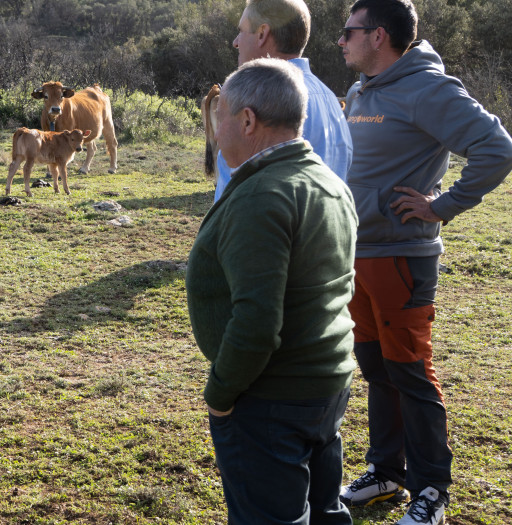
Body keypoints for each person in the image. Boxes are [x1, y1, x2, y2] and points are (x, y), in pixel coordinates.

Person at [335, 1, 512, 524]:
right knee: (376, 367)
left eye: (349, 31)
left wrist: (441, 206)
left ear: (379, 36)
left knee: (410, 371)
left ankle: (431, 488)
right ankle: (387, 472)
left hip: (402, 257)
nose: (341, 40)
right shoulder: (360, 90)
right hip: (355, 253)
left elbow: (496, 149)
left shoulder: (430, 88)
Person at [187, 58, 358, 525]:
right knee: (323, 512)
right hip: (325, 387)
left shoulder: (264, 196)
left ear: (247, 120)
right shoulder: (327, 181)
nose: (215, 130)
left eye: (219, 116)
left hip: (270, 400)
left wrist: (220, 395)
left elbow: (257, 323)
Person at [213, 0, 352, 202]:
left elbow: (234, 203)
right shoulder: (331, 100)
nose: (235, 42)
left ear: (262, 34)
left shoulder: (256, 101)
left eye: (241, 31)